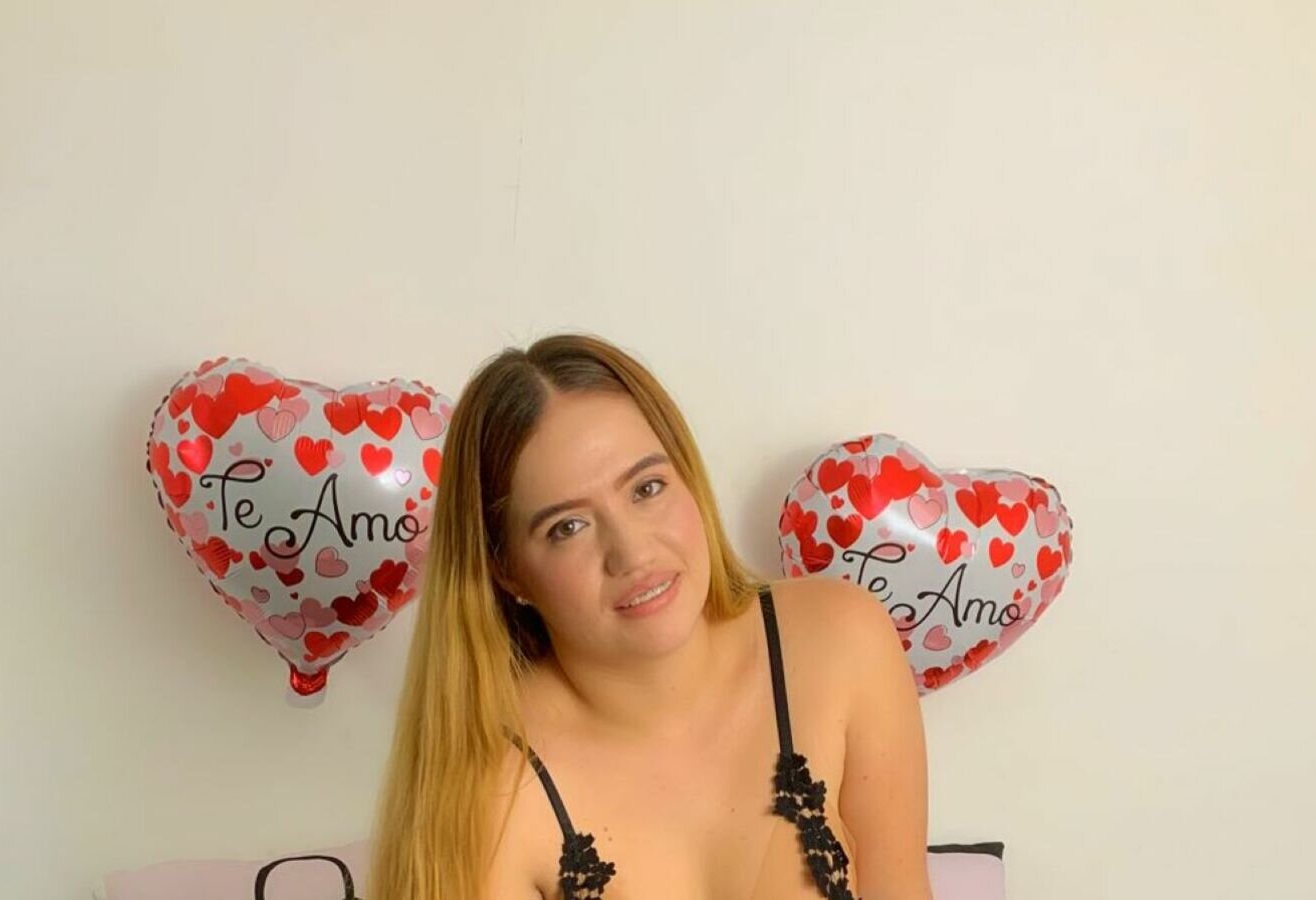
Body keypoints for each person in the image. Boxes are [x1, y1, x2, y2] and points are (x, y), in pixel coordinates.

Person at [366, 332, 931, 899]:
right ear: (506, 572)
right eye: (567, 527)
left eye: (647, 488)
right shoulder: (487, 789)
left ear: (688, 475)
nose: (633, 553)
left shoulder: (840, 642)